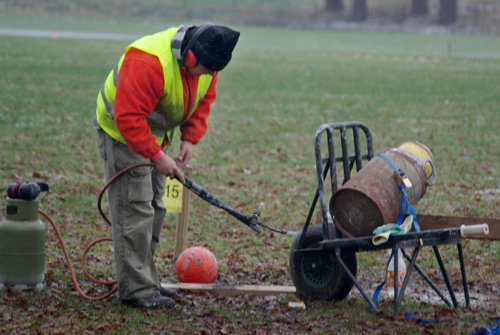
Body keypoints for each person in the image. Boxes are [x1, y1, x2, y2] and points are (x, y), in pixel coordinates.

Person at [93, 23, 240, 308]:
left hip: (154, 138)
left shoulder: (209, 62)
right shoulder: (146, 62)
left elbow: (203, 98)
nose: (211, 75)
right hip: (121, 134)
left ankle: (146, 279)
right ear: (190, 60)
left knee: (155, 207)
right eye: (207, 70)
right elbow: (128, 118)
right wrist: (158, 157)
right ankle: (137, 290)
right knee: (135, 209)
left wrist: (190, 138)